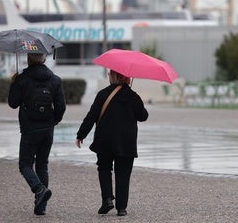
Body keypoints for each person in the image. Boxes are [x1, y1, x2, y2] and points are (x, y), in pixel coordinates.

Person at [75, 70, 148, 216]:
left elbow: (92, 116)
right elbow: (143, 116)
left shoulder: (103, 94)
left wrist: (81, 134)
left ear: (115, 76)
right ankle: (121, 208)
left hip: (105, 140)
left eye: (110, 74)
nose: (109, 77)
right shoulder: (133, 96)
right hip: (126, 142)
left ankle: (107, 200)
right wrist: (133, 99)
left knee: (104, 169)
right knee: (123, 173)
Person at [8, 53, 66, 216]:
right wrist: (52, 122)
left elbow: (13, 104)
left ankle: (39, 189)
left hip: (29, 129)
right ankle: (41, 207)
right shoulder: (55, 80)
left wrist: (14, 83)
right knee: (42, 165)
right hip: (47, 129)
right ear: (45, 59)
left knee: (25, 164)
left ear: (28, 59)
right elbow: (61, 107)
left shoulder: (22, 79)